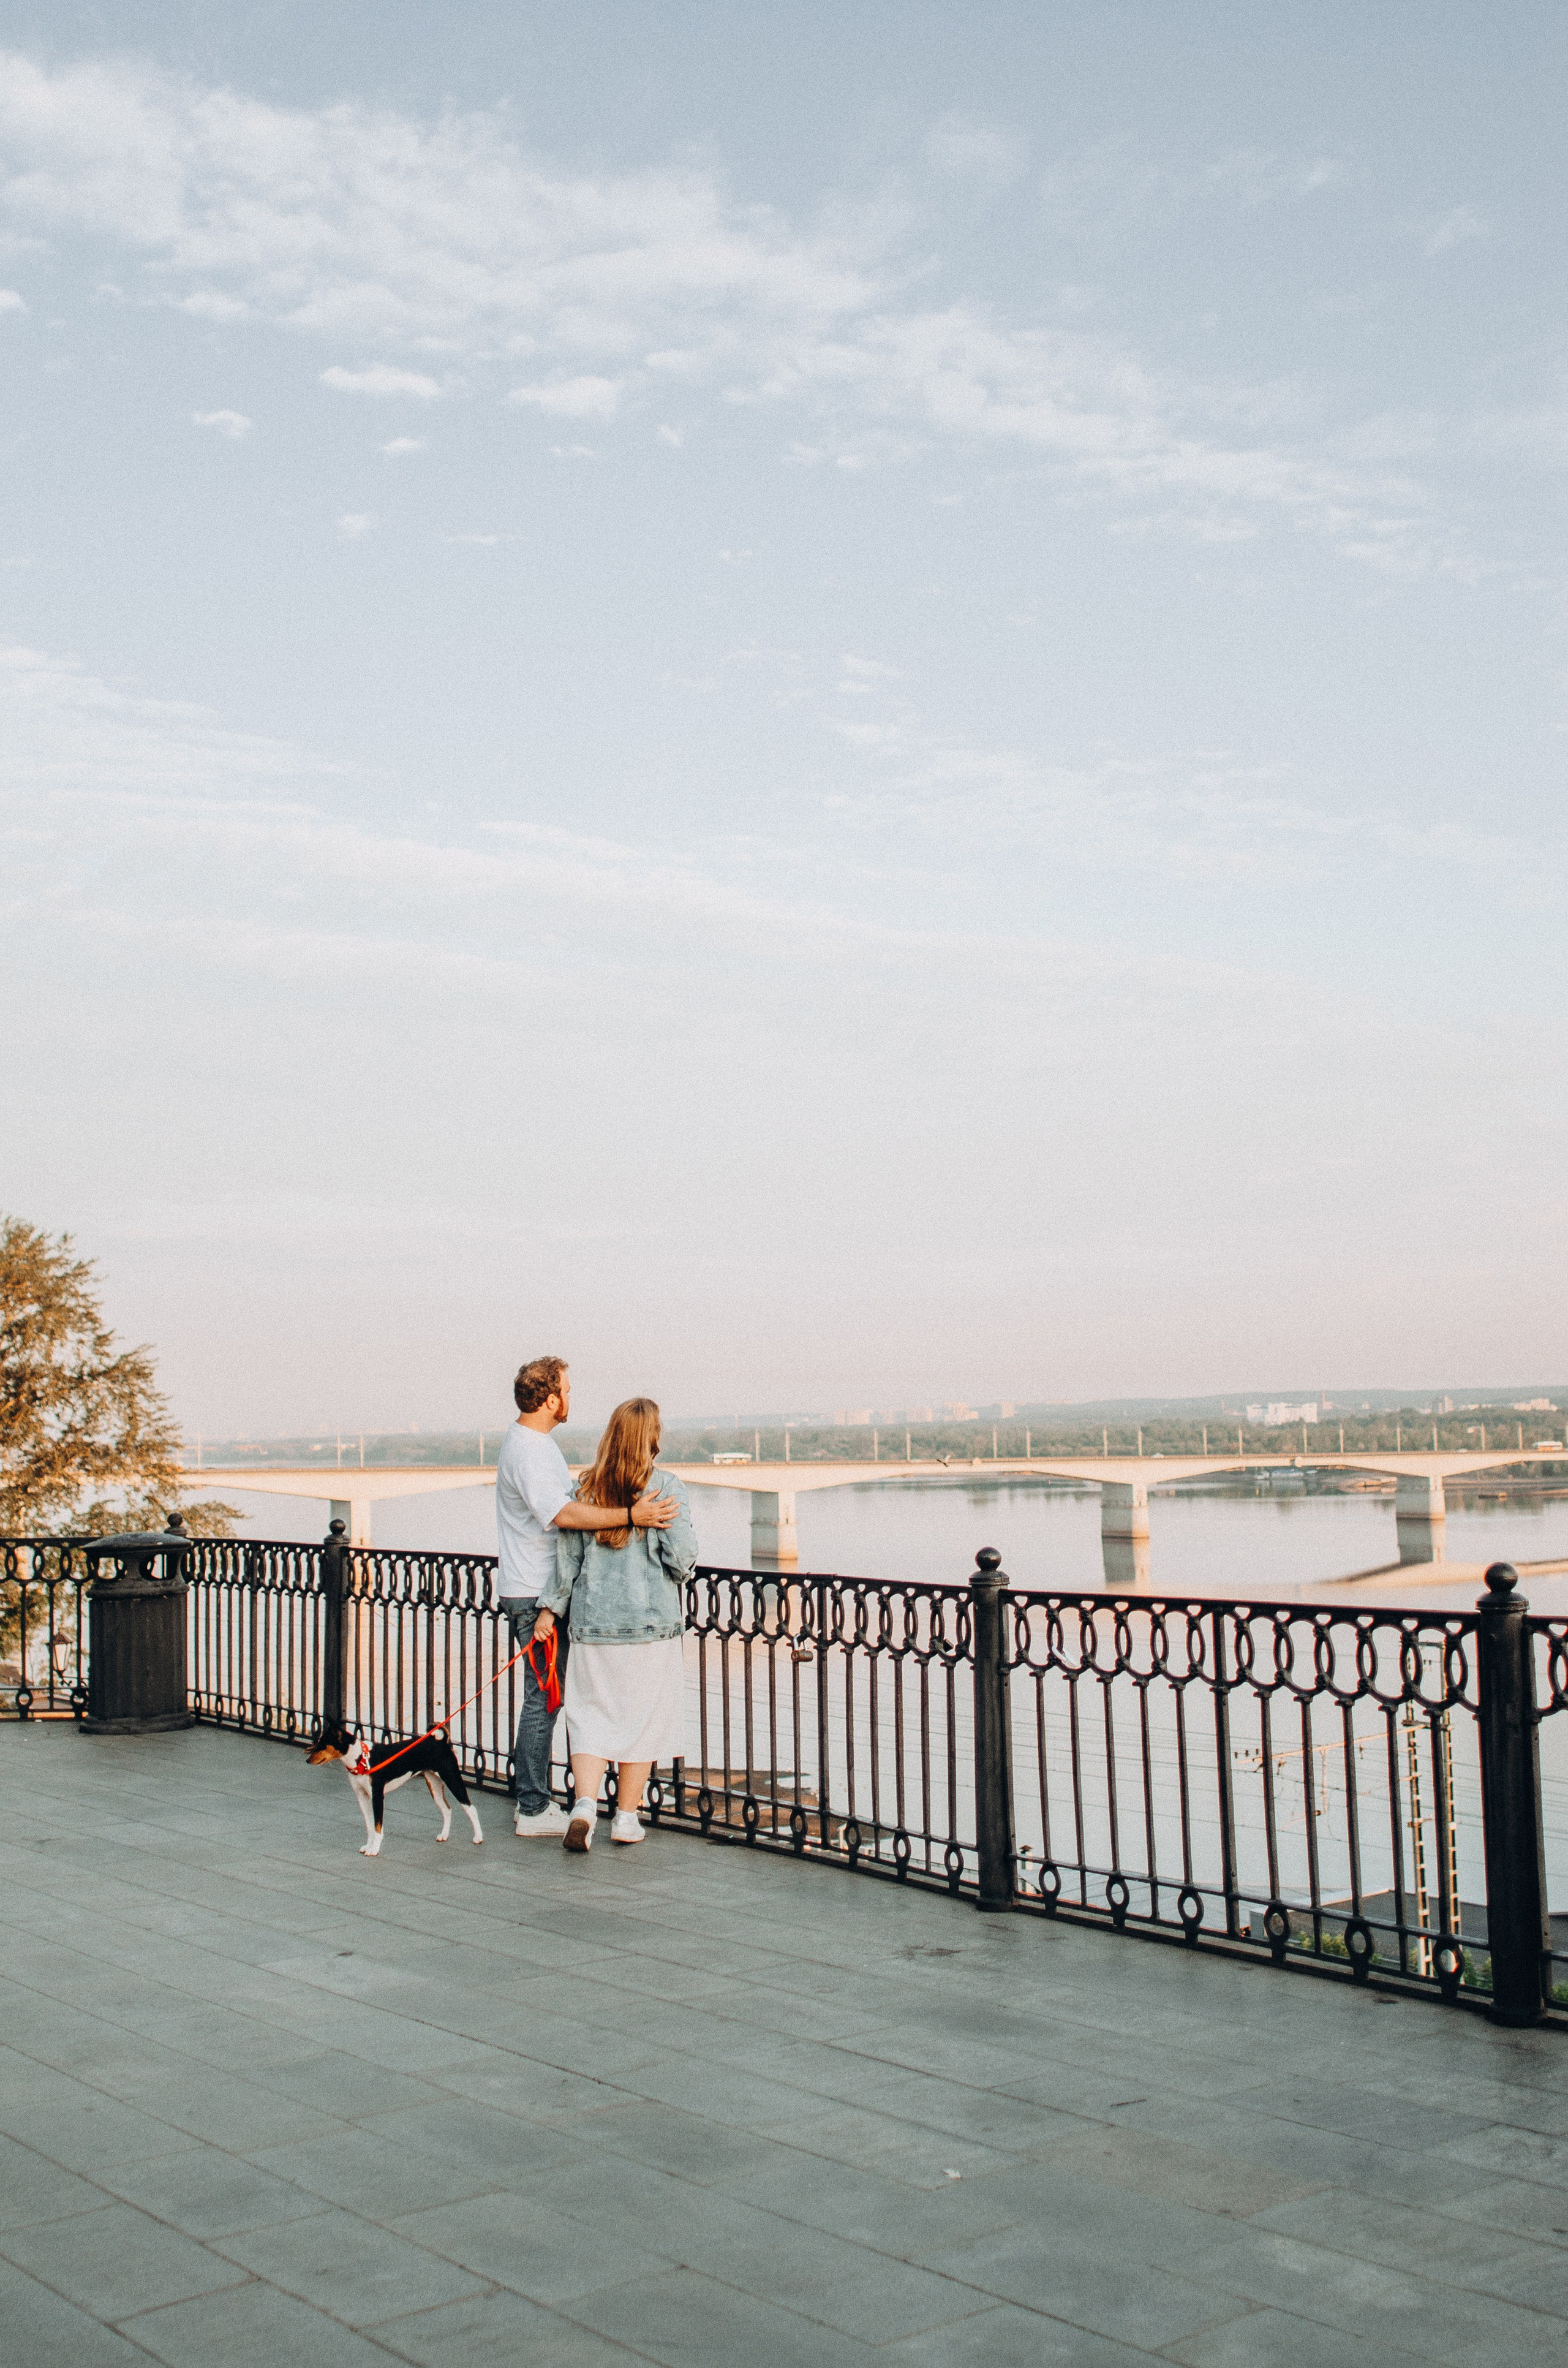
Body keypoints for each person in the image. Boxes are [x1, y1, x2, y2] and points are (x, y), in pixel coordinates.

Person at [496, 1356, 677, 1837]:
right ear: (551, 1398)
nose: (571, 1399)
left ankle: (566, 1802)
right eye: (568, 1391)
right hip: (536, 1592)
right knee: (545, 1700)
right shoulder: (532, 1451)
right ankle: (533, 1808)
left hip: (537, 1590)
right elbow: (564, 1516)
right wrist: (631, 1516)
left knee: (558, 1699)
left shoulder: (532, 1444)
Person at [533, 1396, 696, 1850]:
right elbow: (682, 1562)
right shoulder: (667, 1488)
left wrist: (550, 1610)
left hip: (592, 1627)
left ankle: (584, 1805)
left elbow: (567, 1564)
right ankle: (626, 1817)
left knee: (589, 1716)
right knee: (642, 1722)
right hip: (651, 1631)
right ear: (654, 1438)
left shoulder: (585, 1492)